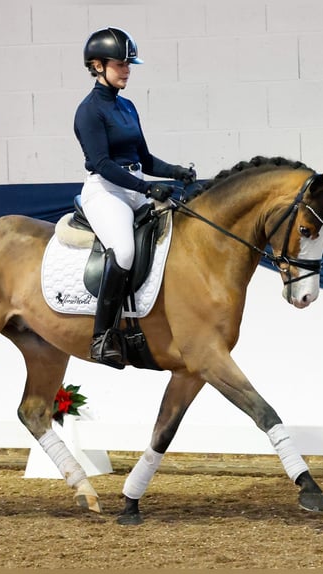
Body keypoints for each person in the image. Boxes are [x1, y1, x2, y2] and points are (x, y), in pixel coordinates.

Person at [74, 27, 195, 369]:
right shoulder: (89, 111)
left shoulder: (127, 107)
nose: (127, 70)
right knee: (124, 250)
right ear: (97, 65)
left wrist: (175, 171)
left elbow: (145, 158)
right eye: (120, 64)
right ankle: (102, 337)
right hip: (106, 190)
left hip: (134, 185)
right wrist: (146, 189)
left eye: (129, 64)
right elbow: (102, 164)